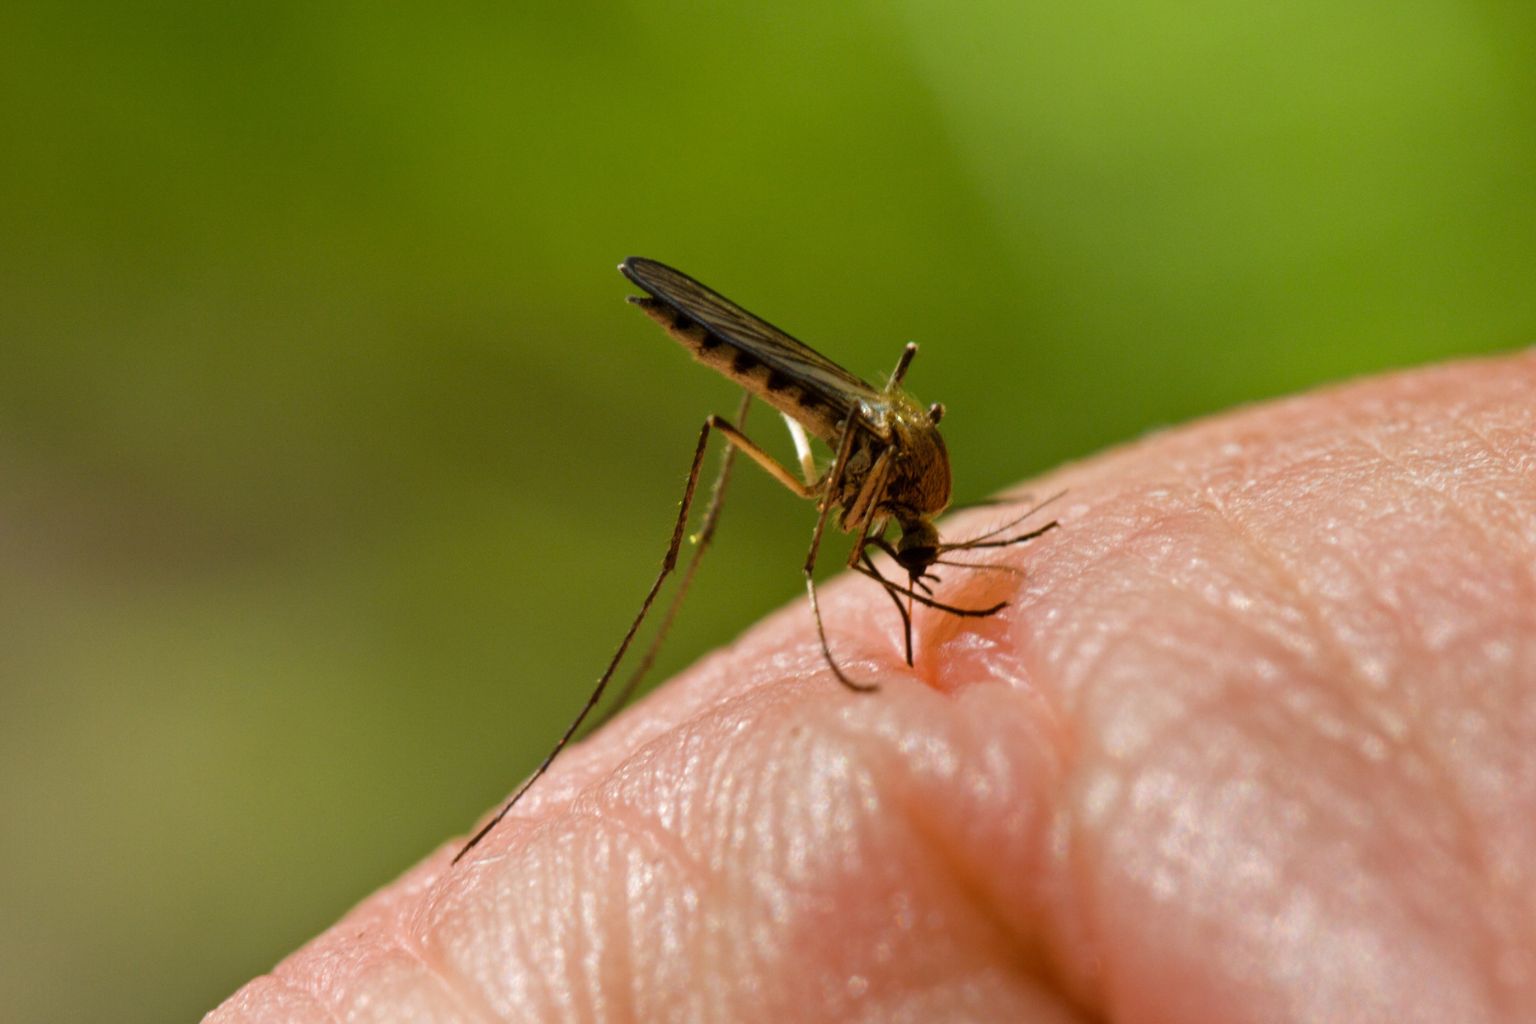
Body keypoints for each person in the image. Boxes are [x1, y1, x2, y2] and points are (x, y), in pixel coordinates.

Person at [207, 352, 1536, 1022]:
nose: (902, 560)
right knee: (731, 428)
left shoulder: (908, 507)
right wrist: (830, 581)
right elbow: (870, 510)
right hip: (831, 435)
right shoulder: (872, 491)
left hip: (866, 460)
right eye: (907, 552)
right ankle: (675, 585)